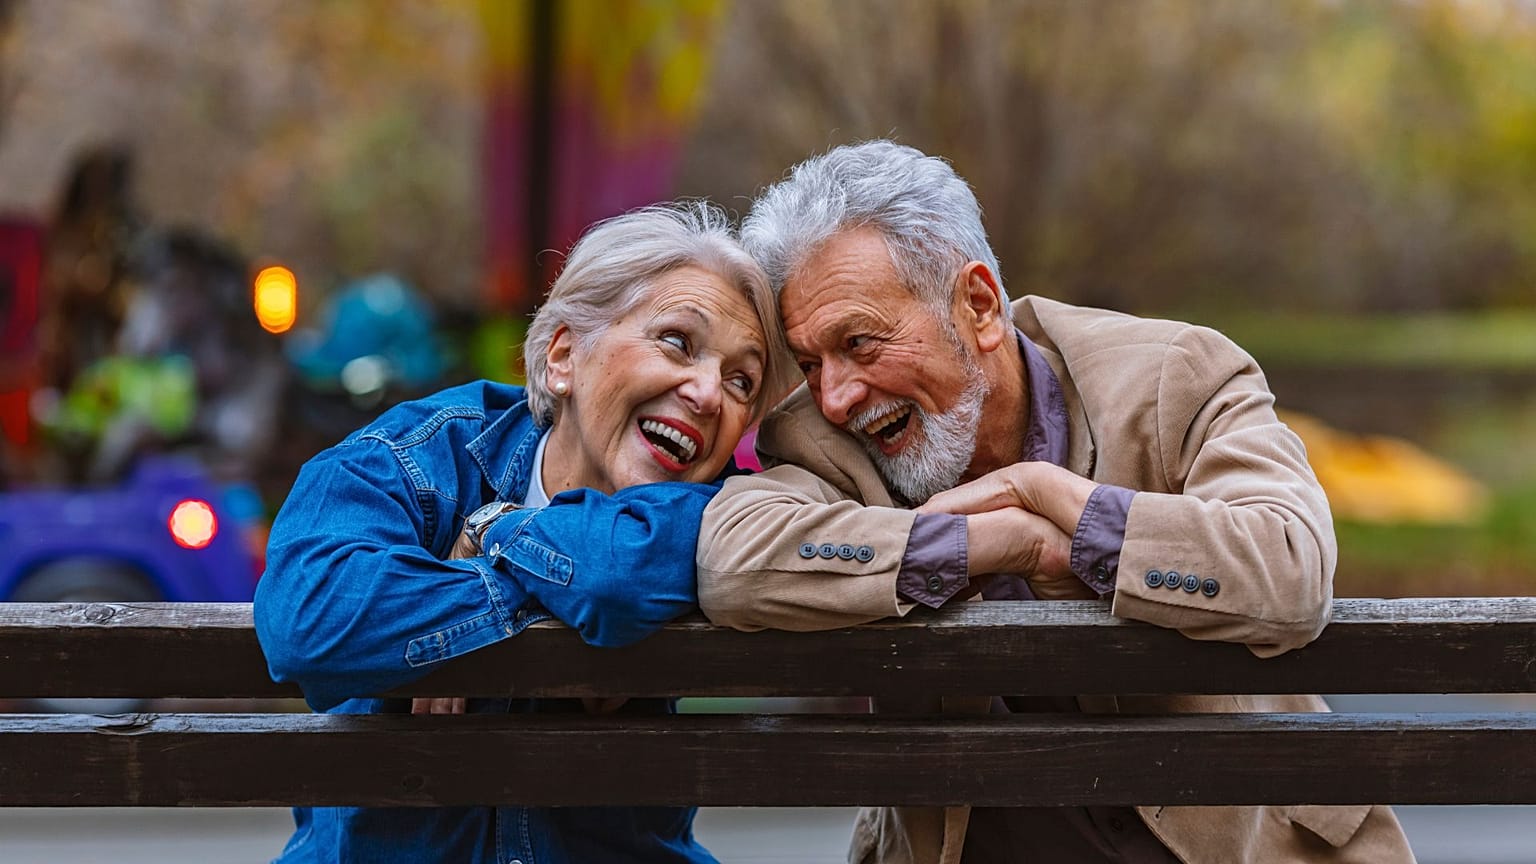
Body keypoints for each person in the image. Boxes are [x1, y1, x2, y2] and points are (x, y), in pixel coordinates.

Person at [695, 141, 1416, 864]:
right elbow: (733, 561)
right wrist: (988, 546)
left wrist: (1070, 513)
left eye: (860, 342)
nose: (836, 395)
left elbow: (1289, 568)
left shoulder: (1177, 377)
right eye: (814, 362)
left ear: (978, 306)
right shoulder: (818, 436)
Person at [254, 202, 792, 864]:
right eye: (678, 341)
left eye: (743, 380)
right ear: (564, 355)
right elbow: (307, 618)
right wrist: (532, 580)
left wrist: (498, 531)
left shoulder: (721, 511)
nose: (711, 394)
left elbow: (615, 581)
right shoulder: (417, 458)